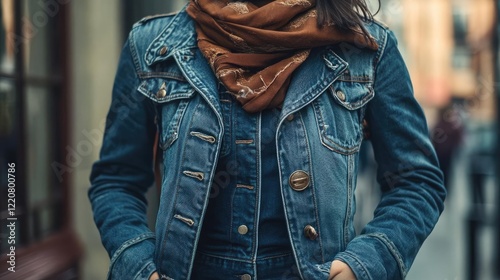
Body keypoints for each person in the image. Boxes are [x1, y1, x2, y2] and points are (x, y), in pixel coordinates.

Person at [88, 1, 446, 279]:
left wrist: (366, 263)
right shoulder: (153, 47)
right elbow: (116, 179)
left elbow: (417, 181)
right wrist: (137, 265)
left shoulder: (367, 49)